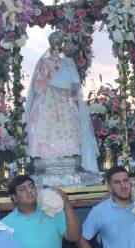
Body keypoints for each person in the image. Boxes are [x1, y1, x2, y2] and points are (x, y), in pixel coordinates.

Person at [25, 32, 98, 173]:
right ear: (50, 48)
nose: (56, 51)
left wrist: (72, 88)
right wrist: (50, 81)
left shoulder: (67, 63)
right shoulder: (44, 62)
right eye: (54, 48)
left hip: (66, 99)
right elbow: (39, 82)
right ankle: (46, 156)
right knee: (44, 123)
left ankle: (70, 155)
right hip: (48, 97)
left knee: (69, 124)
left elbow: (74, 80)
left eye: (59, 48)